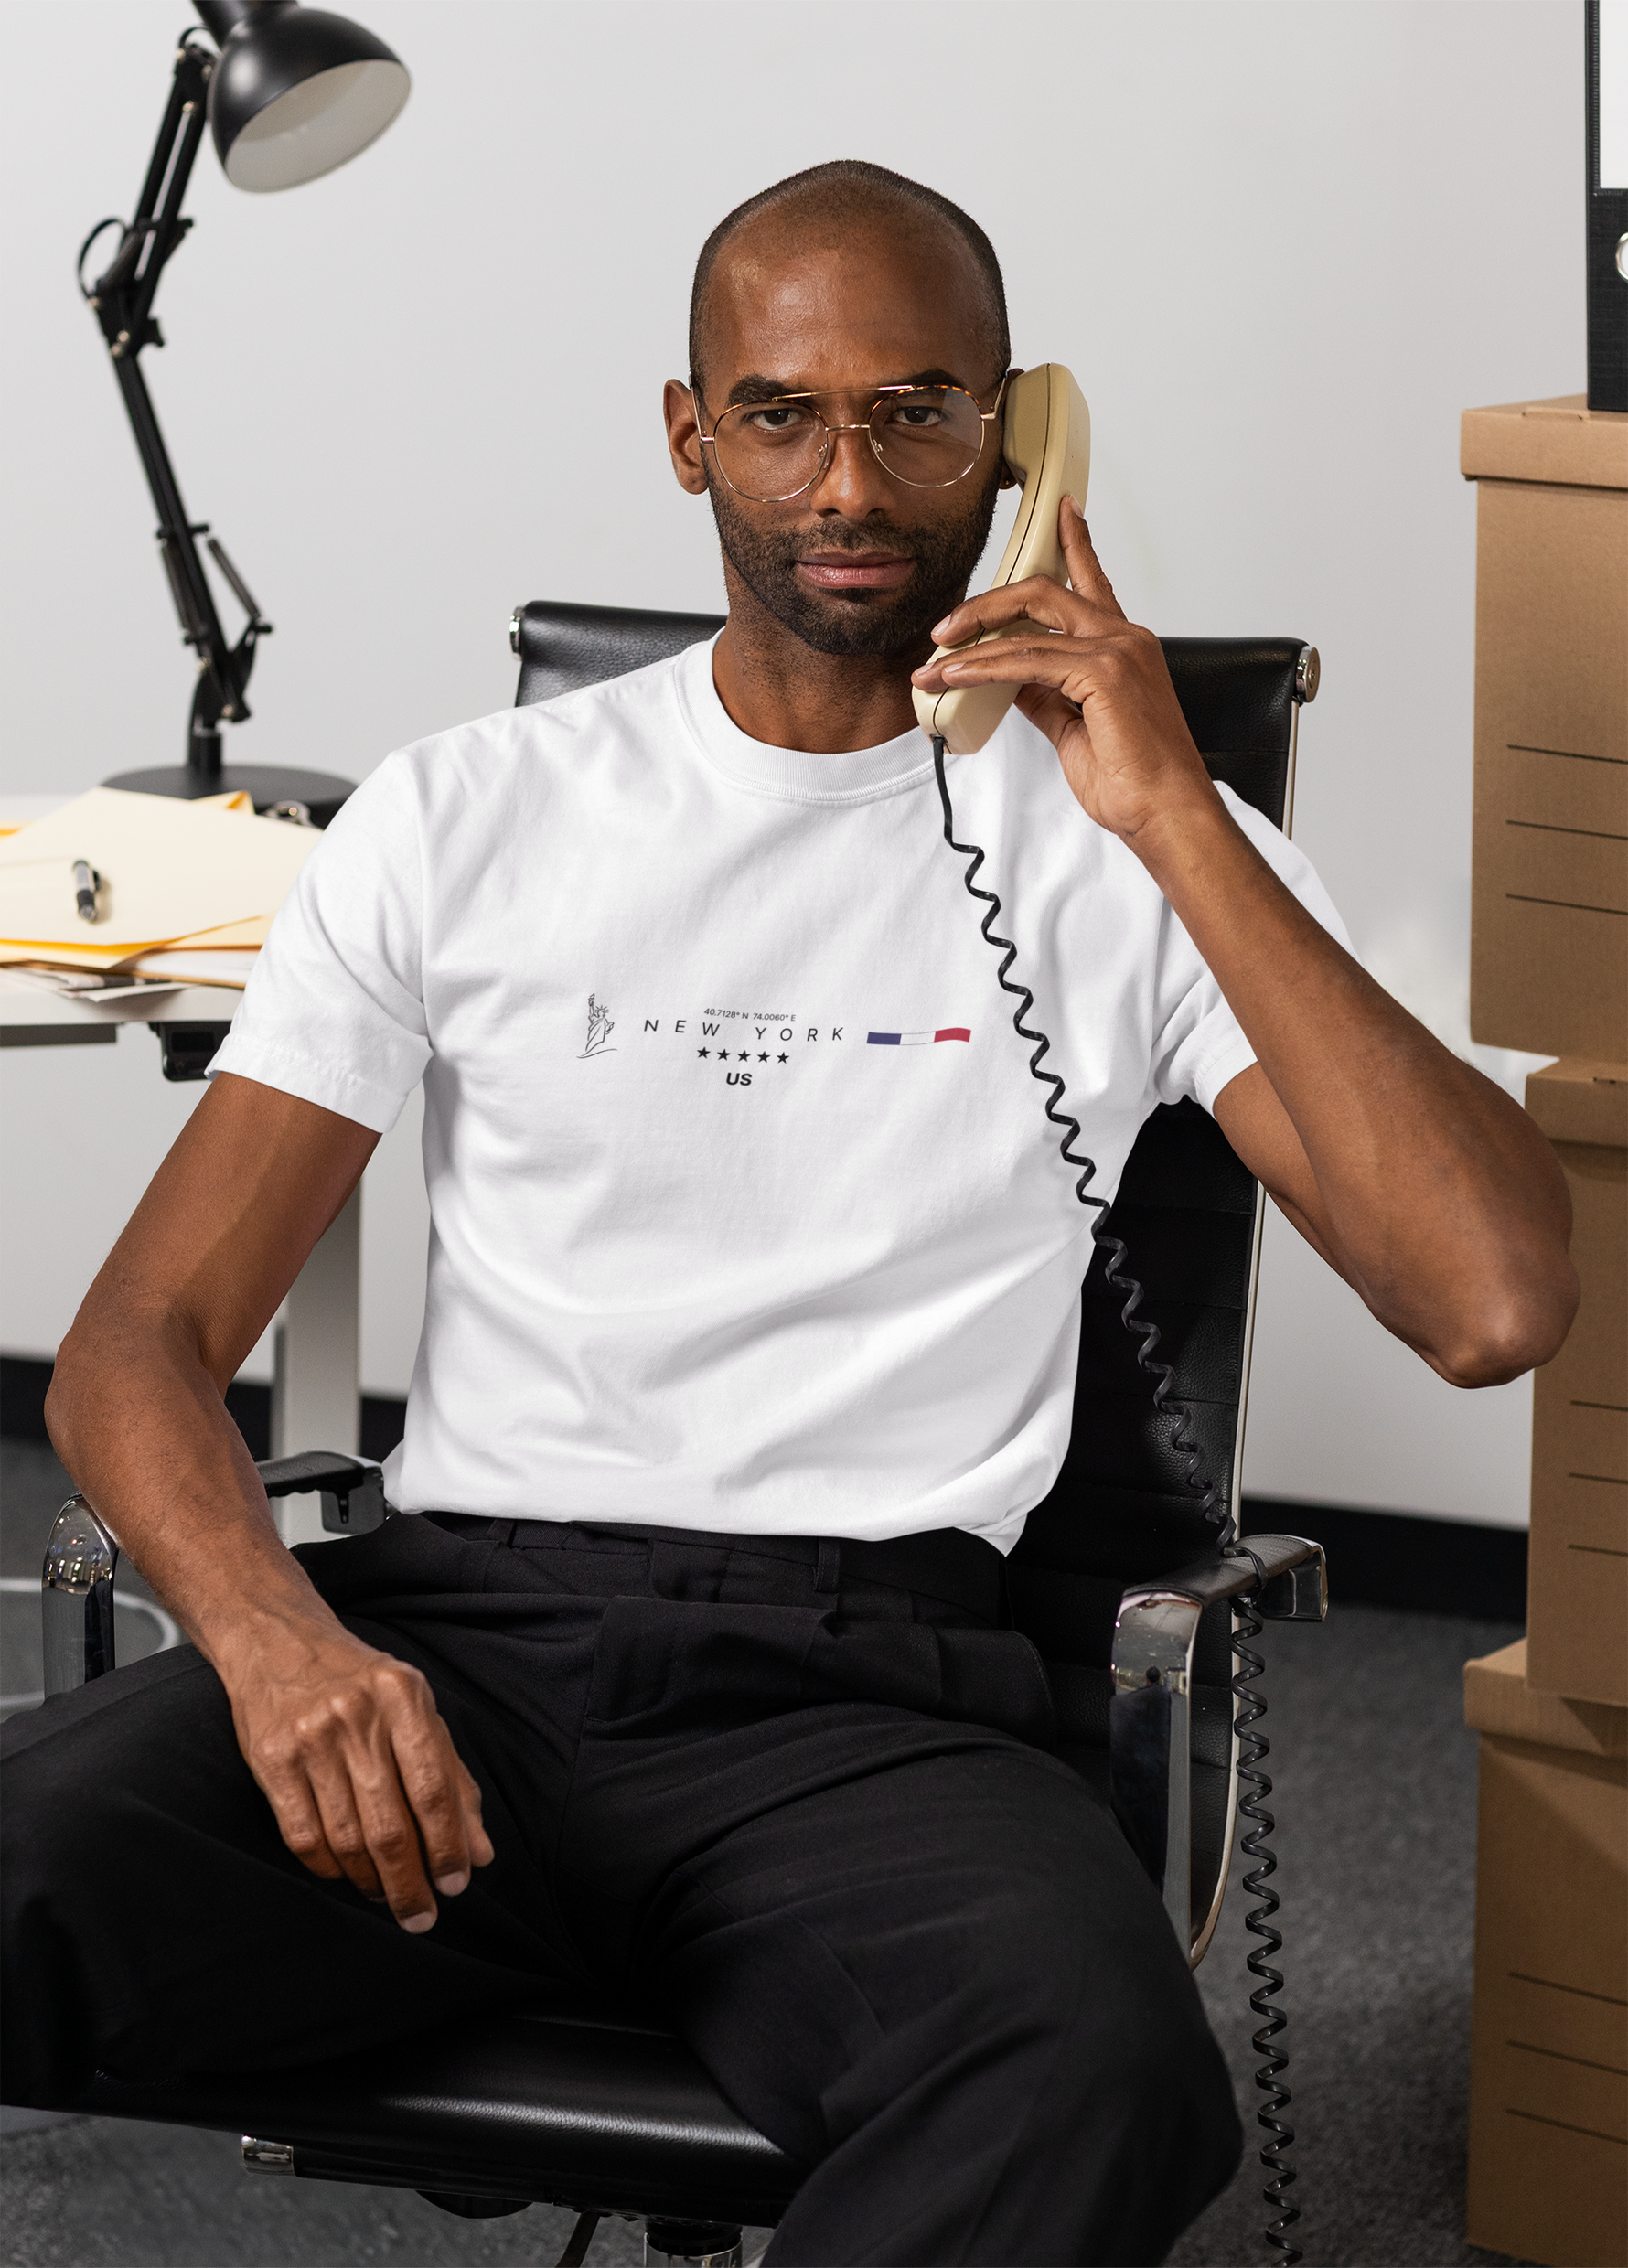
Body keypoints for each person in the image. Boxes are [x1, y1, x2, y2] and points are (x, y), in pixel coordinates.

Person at [1, 161, 1577, 2267]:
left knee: (1094, 2074)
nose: (846, 482)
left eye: (916, 414)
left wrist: (1170, 814)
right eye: (780, 415)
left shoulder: (1126, 843)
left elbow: (1491, 1298)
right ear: (689, 436)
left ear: (1013, 436)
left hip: (870, 1706)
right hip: (465, 1644)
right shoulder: (466, 812)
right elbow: (136, 1346)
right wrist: (282, 1648)